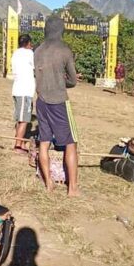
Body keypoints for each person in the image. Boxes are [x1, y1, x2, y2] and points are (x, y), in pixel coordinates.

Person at [34, 15, 79, 196]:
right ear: (61, 30)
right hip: (59, 101)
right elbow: (73, 81)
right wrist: (62, 82)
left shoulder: (37, 51)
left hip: (41, 101)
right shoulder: (64, 50)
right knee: (71, 143)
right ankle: (73, 188)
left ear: (46, 29)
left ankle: (48, 183)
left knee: (43, 143)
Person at [11, 34, 35, 153]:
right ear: (27, 43)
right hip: (24, 91)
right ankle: (18, 146)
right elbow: (37, 66)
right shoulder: (29, 54)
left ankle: (20, 143)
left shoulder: (16, 53)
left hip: (18, 90)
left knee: (21, 119)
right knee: (24, 120)